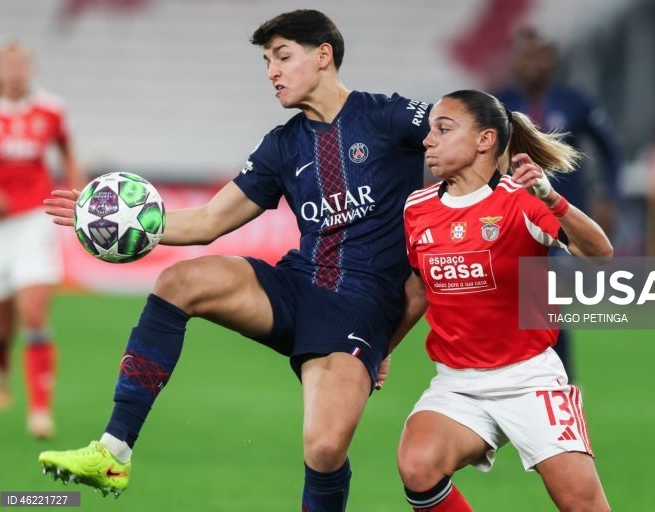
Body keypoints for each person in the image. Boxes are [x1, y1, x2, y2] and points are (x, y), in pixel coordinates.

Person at [38, 9, 431, 510]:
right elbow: (207, 222)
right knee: (179, 281)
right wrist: (111, 219)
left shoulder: (387, 116)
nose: (272, 71)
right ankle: (113, 452)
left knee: (326, 447)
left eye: (282, 56)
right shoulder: (281, 145)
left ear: (324, 56)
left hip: (358, 309)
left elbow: (469, 122)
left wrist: (509, 168)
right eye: (268, 61)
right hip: (296, 287)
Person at [395, 90, 612, 511]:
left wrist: (554, 200)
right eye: (429, 131)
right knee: (417, 465)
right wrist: (379, 351)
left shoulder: (524, 200)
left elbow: (599, 252)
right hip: (457, 384)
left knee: (582, 504)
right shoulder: (417, 208)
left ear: (484, 140)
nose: (428, 141)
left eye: (443, 129)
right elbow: (418, 289)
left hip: (529, 379)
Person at [493, 28, 623, 378]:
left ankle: (556, 373)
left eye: (538, 56)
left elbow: (611, 152)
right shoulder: (497, 103)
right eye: (524, 57)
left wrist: (608, 196)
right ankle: (546, 373)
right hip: (514, 215)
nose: (531, 65)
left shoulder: (575, 102)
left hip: (562, 216)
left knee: (545, 294)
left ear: (551, 61)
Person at [0, 42, 83, 438]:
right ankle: (3, 369)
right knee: (2, 323)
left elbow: (67, 152)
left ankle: (40, 412)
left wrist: (77, 193)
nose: (14, 71)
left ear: (31, 69)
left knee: (33, 314)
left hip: (34, 220)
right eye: (7, 65)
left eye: (21, 64)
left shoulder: (51, 109)